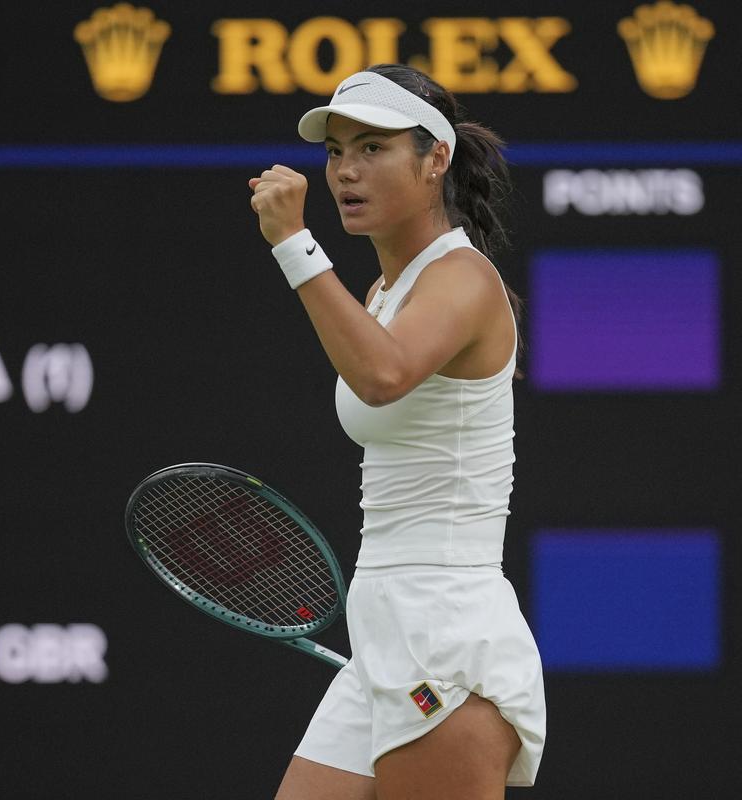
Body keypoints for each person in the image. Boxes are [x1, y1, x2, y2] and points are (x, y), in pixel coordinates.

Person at [247, 63, 546, 800]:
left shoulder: (464, 280)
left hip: (444, 640)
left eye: (373, 148)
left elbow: (384, 376)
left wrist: (294, 243)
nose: (345, 170)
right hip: (386, 636)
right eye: (336, 150)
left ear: (434, 158)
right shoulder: (387, 291)